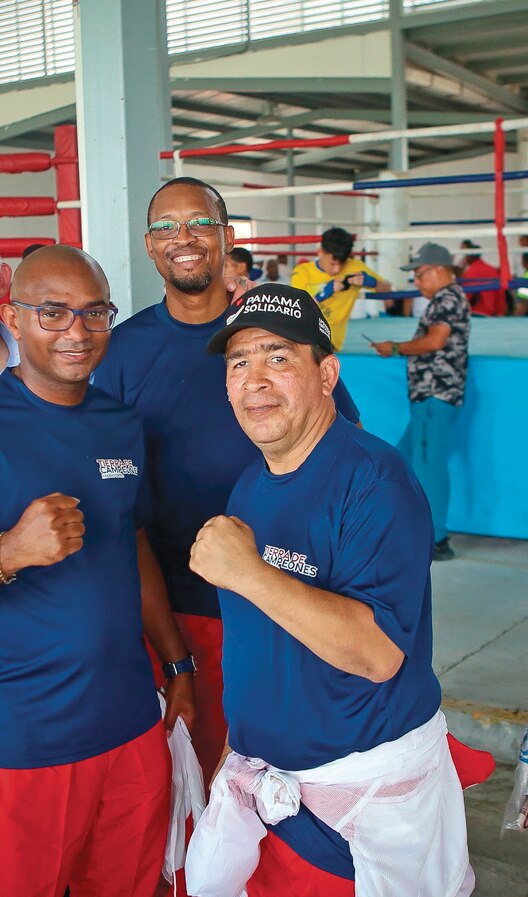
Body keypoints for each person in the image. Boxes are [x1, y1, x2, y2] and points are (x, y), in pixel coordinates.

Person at [185, 283, 484, 897]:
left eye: (277, 357)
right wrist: (236, 752)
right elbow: (255, 646)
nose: (254, 379)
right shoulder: (251, 485)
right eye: (238, 364)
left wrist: (249, 571)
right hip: (267, 784)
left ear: (327, 374)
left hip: (359, 802)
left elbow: (378, 654)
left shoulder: (375, 482)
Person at [93, 176, 361, 791]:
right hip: (179, 612)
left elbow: (344, 447)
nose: (183, 238)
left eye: (199, 223)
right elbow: (114, 500)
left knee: (291, 787)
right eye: (166, 226)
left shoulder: (276, 335)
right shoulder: (121, 351)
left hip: (288, 599)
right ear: (149, 244)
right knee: (195, 790)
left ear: (226, 236)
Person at [0, 246, 196, 896]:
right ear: (14, 317)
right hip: (26, 737)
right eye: (52, 312)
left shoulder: (120, 422)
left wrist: (178, 665)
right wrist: (10, 551)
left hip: (129, 721)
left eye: (94, 312)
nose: (77, 331)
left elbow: (132, 544)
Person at [370, 242, 470, 562]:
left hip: (434, 394)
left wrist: (396, 348)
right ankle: (402, 524)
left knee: (429, 465)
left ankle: (437, 538)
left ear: (440, 270)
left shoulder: (447, 299)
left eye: (420, 273)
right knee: (404, 459)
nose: (416, 281)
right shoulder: (447, 299)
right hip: (430, 397)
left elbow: (435, 341)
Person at [290, 226, 392, 349]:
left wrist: (373, 282)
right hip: (303, 334)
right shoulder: (303, 272)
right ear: (320, 252)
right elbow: (296, 310)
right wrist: (322, 295)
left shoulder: (355, 267)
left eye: (341, 264)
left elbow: (387, 289)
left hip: (331, 340)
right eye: (332, 264)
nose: (336, 270)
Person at [458, 240, 505, 316]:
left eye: (466, 256)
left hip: (474, 313)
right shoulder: (492, 270)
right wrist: (500, 313)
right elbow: (500, 294)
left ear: (470, 256)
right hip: (491, 313)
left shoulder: (470, 272)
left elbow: (467, 296)